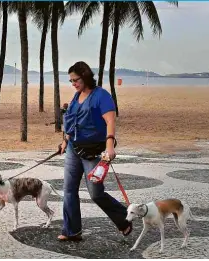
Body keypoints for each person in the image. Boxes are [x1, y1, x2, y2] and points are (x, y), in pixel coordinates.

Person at [58, 61, 132, 241]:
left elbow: (110, 122)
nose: (73, 84)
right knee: (69, 190)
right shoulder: (77, 97)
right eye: (71, 81)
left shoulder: (101, 96)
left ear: (85, 77)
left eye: (75, 80)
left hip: (92, 152)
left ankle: (124, 219)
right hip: (74, 149)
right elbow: (72, 122)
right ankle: (72, 231)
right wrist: (65, 141)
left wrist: (109, 147)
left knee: (96, 193)